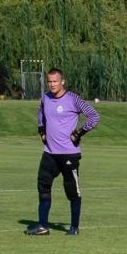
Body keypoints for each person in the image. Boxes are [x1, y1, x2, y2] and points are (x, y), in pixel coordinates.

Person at [27, 67, 100, 236]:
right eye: (50, 81)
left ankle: (74, 228)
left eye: (55, 81)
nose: (52, 85)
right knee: (43, 186)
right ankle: (43, 226)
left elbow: (94, 116)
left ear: (62, 82)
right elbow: (41, 113)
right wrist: (41, 130)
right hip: (49, 153)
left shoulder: (73, 99)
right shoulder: (45, 98)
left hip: (69, 154)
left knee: (72, 191)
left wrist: (79, 132)